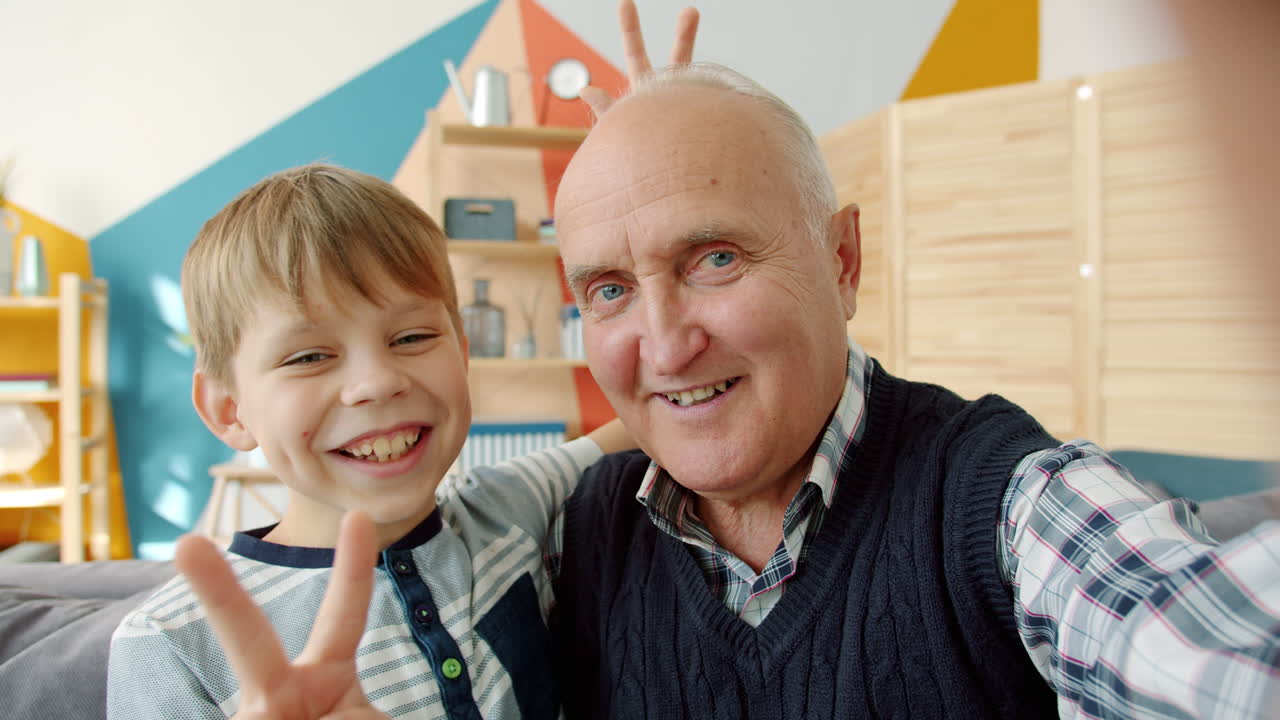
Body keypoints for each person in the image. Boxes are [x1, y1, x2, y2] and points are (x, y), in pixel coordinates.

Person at [544, 57, 1280, 719]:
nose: (667, 348)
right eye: (610, 288)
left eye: (715, 258)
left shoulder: (1001, 500)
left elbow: (1198, 651)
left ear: (842, 261)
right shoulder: (576, 531)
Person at [106, 163, 635, 720]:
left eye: (411, 337)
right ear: (229, 409)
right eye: (309, 356)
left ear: (462, 351)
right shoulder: (168, 646)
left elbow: (644, 425)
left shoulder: (511, 505)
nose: (379, 381)